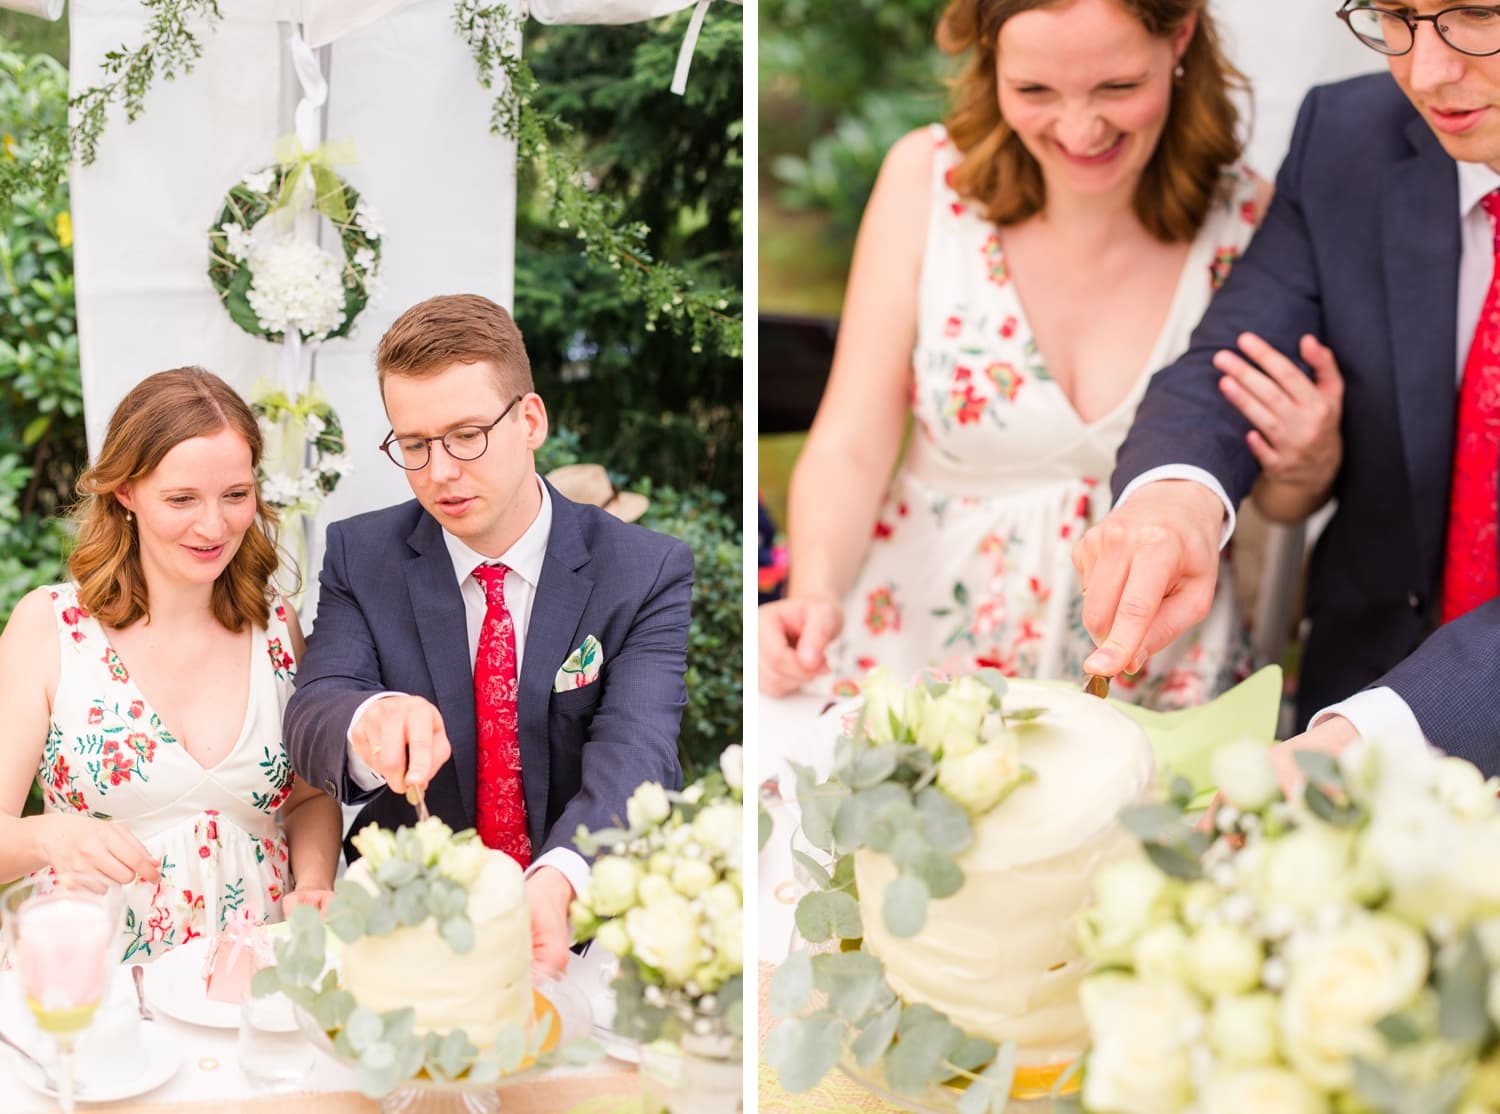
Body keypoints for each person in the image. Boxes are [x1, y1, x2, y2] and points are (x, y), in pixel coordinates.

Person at [758, 0, 1334, 708]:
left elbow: (1269, 496)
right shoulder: (926, 181)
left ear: (1180, 34)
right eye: (1034, 91)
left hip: (1156, 685)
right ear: (990, 59)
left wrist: (1309, 467)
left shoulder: (1252, 223)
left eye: (1117, 89)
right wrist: (813, 593)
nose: (1079, 128)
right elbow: (851, 441)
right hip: (921, 664)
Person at [1073, 0, 1500, 776]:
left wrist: (1360, 743)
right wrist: (1176, 502)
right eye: (1398, 13)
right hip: (1356, 679)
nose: (1426, 71)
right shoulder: (1346, 136)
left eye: (1477, 14)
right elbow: (1231, 360)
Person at [284, 293, 694, 975]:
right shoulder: (362, 554)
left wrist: (561, 877)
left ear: (530, 420)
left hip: (584, 936)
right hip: (405, 934)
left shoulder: (643, 570)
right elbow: (316, 706)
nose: (440, 471)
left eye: (467, 435)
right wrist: (370, 717)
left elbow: (638, 749)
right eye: (414, 445)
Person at [0, 368, 341, 961]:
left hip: (250, 987)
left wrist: (313, 885)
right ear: (125, 492)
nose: (214, 526)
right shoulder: (48, 627)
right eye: (182, 499)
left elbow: (309, 799)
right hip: (94, 986)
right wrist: (49, 834)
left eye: (235, 495)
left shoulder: (276, 625)